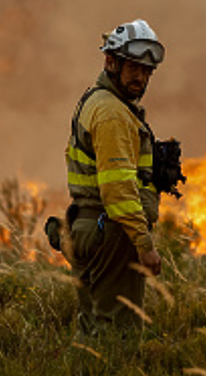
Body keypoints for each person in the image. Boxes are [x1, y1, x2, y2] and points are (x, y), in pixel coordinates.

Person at [65, 18, 165, 334]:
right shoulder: (112, 114)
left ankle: (89, 368)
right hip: (112, 232)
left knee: (93, 329)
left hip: (92, 227)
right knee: (118, 335)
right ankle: (112, 367)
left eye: (146, 71)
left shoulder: (99, 101)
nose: (140, 77)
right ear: (111, 62)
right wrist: (144, 244)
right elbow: (118, 190)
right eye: (133, 67)